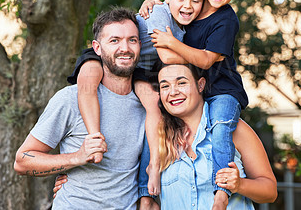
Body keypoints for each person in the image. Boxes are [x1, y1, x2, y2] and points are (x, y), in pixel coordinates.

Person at [54, 63, 277, 209]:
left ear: (200, 85)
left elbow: (269, 191)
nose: (173, 92)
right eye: (165, 86)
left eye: (181, 82)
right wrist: (71, 180)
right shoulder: (156, 140)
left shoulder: (233, 128)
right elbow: (122, 180)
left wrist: (239, 185)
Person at [66, 0, 204, 196]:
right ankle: (94, 137)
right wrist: (205, 58)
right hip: (113, 53)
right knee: (89, 77)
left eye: (195, 0)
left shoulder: (187, 29)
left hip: (138, 68)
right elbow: (166, 55)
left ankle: (154, 165)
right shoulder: (161, 13)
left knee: (153, 103)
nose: (188, 5)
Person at [14, 7, 157, 209]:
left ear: (140, 45)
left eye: (132, 40)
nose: (125, 48)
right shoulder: (70, 98)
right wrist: (76, 158)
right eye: (114, 40)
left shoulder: (147, 103)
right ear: (97, 48)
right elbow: (22, 161)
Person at [140, 0, 248, 209]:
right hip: (197, 91)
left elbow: (206, 61)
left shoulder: (225, 19)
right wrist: (152, 2)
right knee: (156, 126)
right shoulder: (194, 10)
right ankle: (147, 194)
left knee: (221, 128)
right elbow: (175, 6)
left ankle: (221, 190)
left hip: (222, 89)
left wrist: (171, 42)